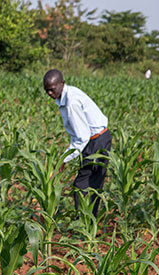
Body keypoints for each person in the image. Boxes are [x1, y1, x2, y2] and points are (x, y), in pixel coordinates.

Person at [43, 69, 110, 217]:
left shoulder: (71, 102)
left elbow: (82, 136)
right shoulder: (65, 96)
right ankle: (87, 222)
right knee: (88, 184)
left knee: (84, 185)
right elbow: (78, 134)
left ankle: (85, 224)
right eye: (46, 90)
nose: (49, 93)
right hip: (94, 140)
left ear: (62, 84)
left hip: (96, 142)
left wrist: (64, 160)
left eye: (52, 89)